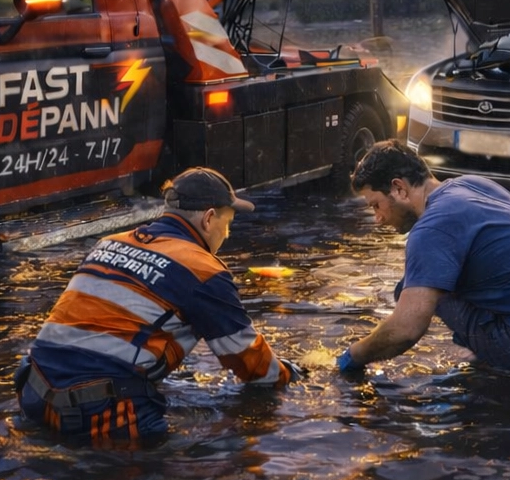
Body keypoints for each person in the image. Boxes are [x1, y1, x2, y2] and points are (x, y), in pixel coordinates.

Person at [16, 166, 301, 444]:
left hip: (34, 393)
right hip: (95, 414)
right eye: (228, 224)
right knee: (212, 469)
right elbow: (249, 361)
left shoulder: (108, 243)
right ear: (209, 219)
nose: (226, 235)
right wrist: (295, 376)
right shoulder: (202, 269)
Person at [337, 141, 510, 378]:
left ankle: (496, 359)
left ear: (399, 189)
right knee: (427, 281)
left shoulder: (431, 229)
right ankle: (490, 348)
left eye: (376, 205)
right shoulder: (472, 185)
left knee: (408, 289)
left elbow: (407, 328)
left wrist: (353, 357)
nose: (378, 219)